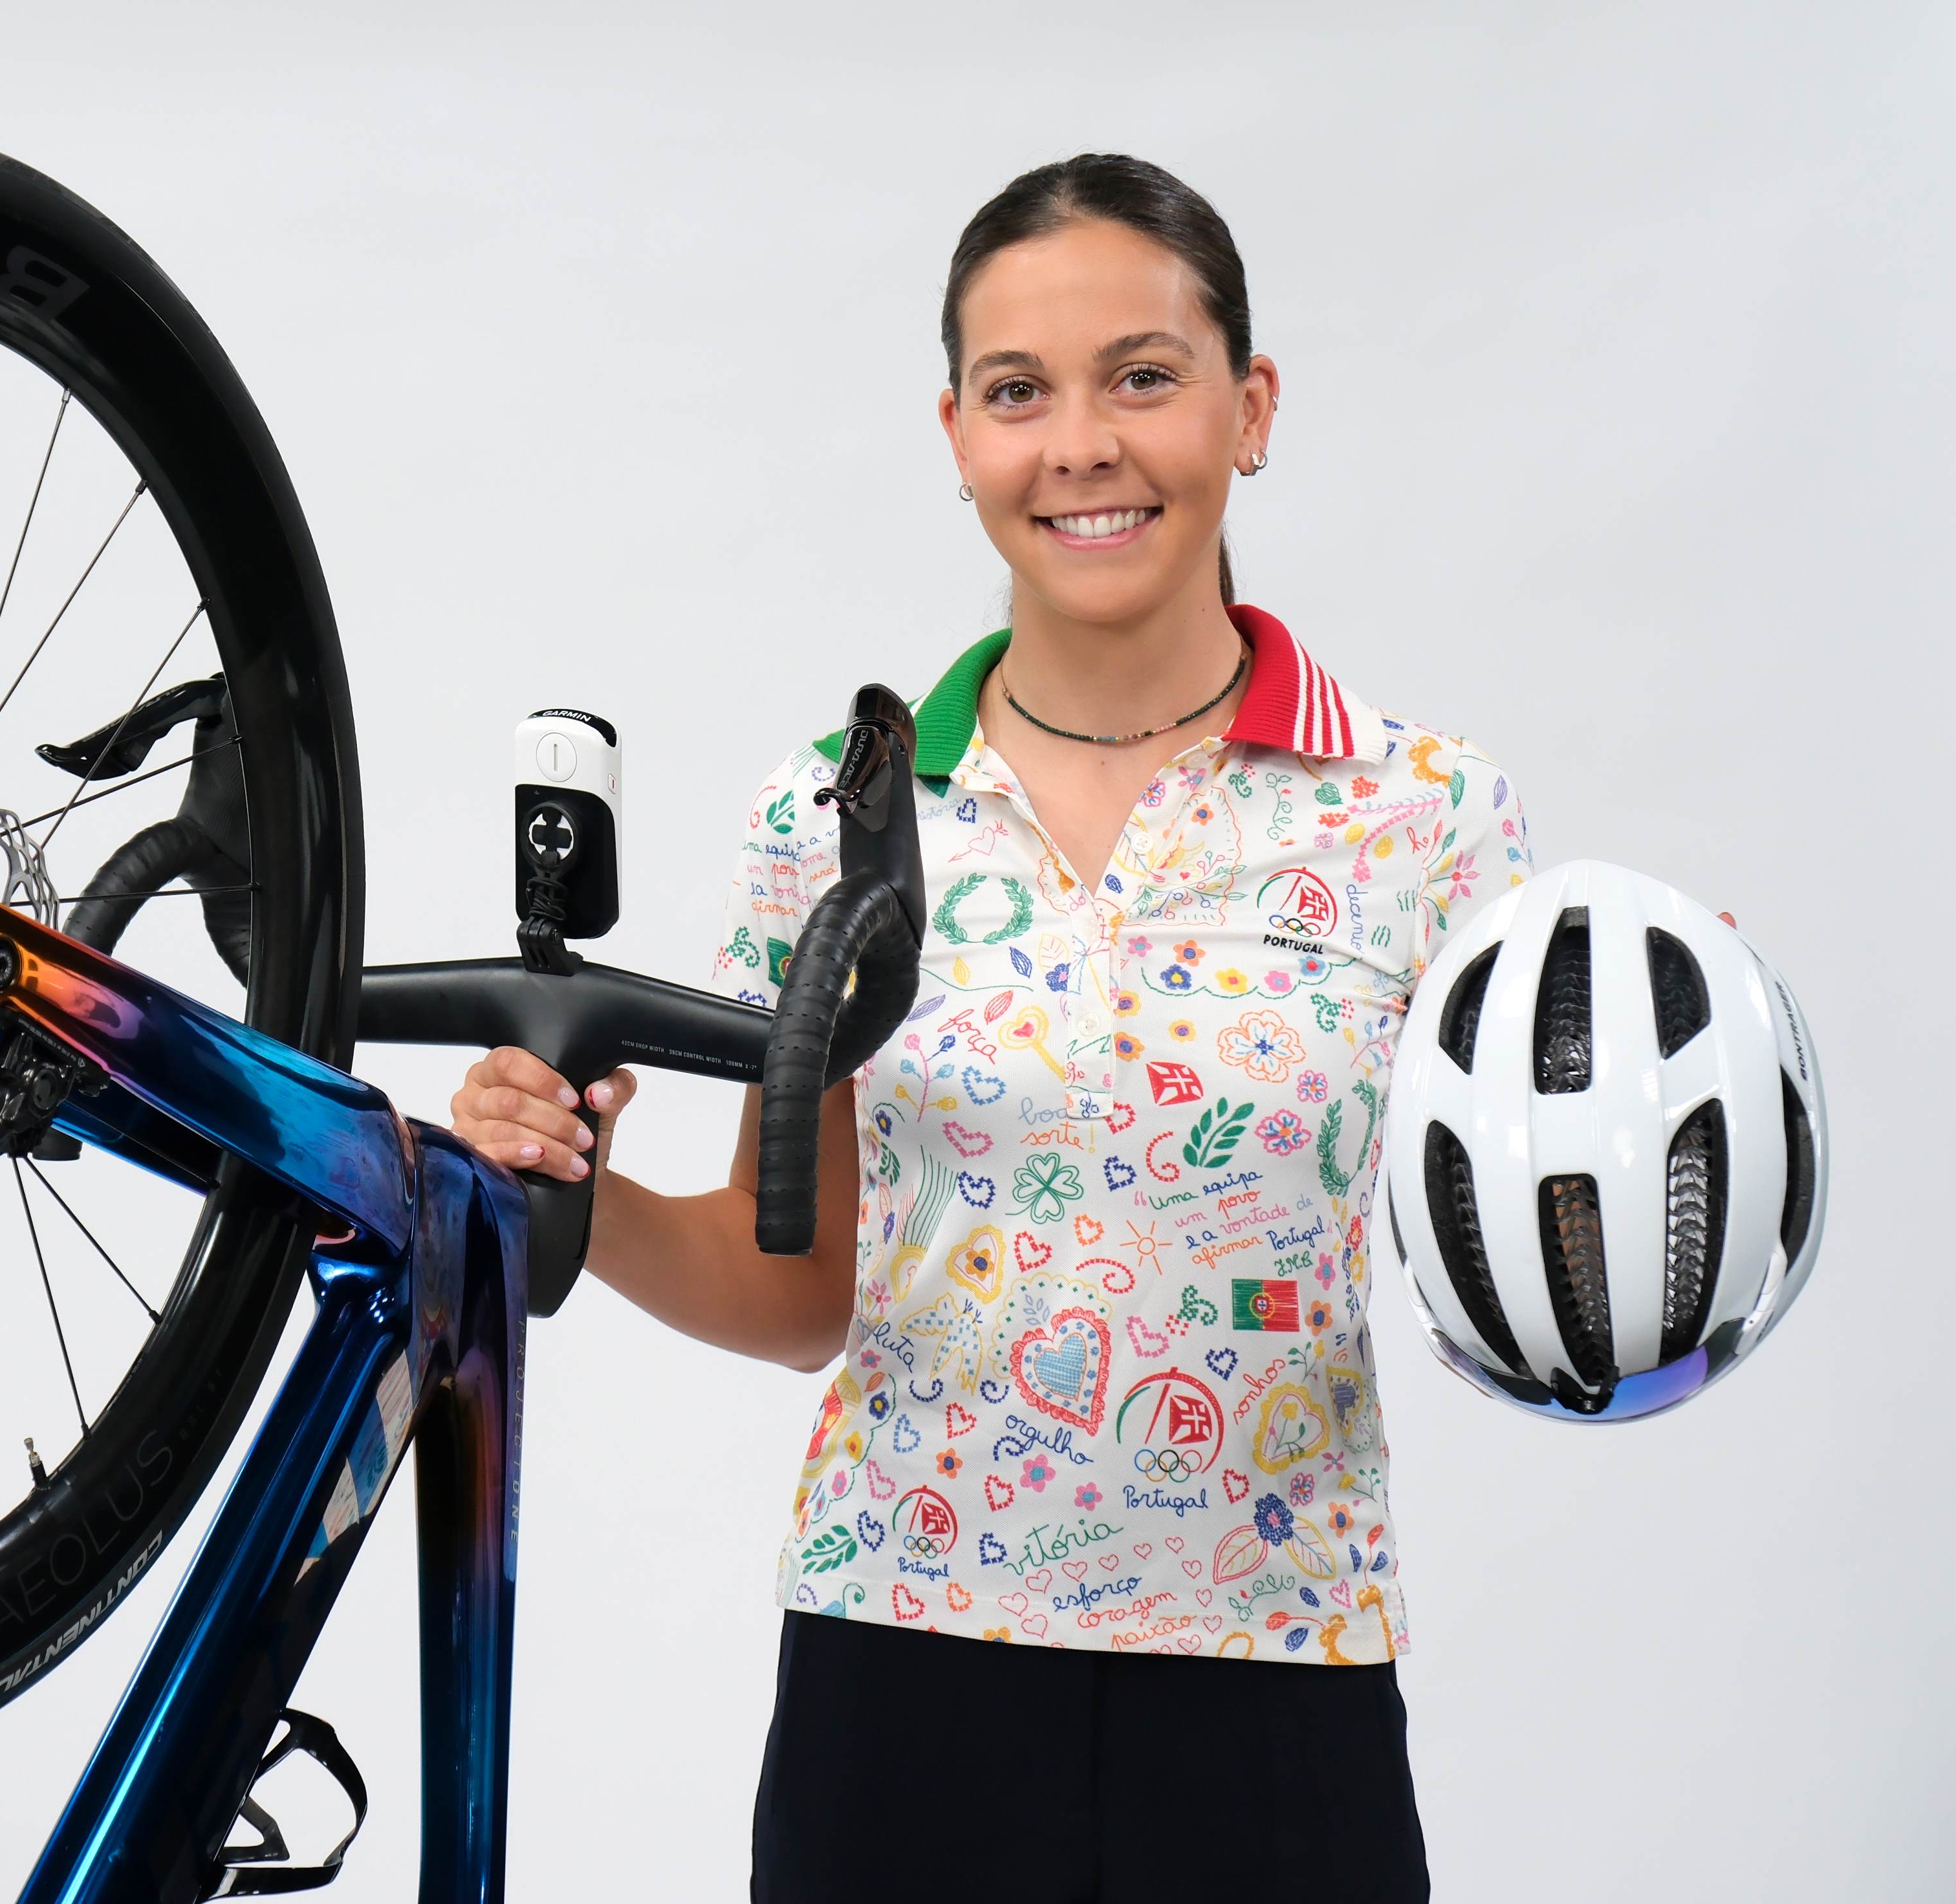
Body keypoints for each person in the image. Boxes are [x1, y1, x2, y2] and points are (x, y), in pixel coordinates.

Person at [450, 155, 1527, 1903]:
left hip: (1280, 1694)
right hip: (906, 1682)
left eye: (1145, 376)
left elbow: (1534, 1259)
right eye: (1020, 394)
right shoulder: (842, 814)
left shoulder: (1423, 818)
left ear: (1250, 410)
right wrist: (569, 1198)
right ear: (958, 436)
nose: (1081, 443)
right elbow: (798, 1284)